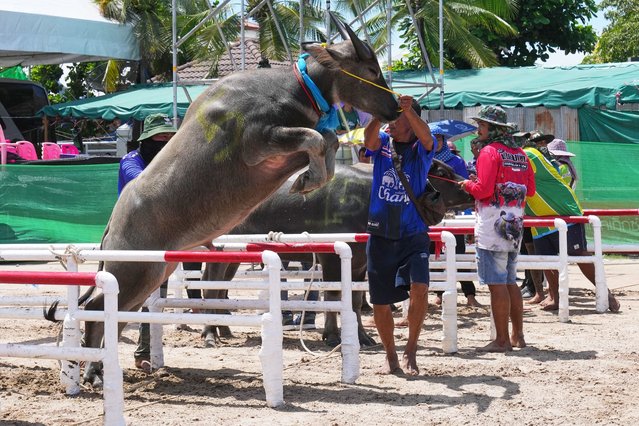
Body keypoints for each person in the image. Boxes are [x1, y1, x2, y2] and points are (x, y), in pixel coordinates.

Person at [363, 95, 435, 375]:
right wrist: (382, 112)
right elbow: (368, 142)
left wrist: (408, 111)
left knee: (420, 287)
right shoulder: (382, 142)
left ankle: (411, 351)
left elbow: (427, 136)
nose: (393, 122)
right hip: (381, 232)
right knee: (380, 301)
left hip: (413, 231)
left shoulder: (421, 148)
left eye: (399, 117)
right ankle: (390, 356)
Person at [459, 105, 536, 352]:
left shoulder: (489, 152)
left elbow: (483, 190)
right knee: (510, 280)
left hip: (493, 225)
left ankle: (501, 340)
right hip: (516, 224)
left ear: (493, 128)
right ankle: (518, 336)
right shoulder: (521, 155)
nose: (478, 129)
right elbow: (531, 191)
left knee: (496, 283)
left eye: (482, 125)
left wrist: (468, 185)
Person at [522, 136, 620, 313]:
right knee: (548, 260)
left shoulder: (531, 156)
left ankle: (605, 292)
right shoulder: (538, 158)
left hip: (563, 213)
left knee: (579, 255)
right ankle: (556, 297)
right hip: (540, 216)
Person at [118, 113, 177, 373]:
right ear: (147, 139)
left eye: (169, 137)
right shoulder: (131, 161)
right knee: (117, 297)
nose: (165, 142)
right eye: (161, 137)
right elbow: (142, 186)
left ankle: (144, 352)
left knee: (154, 296)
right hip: (125, 239)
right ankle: (88, 346)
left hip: (160, 237)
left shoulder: (170, 164)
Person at [430, 128, 482, 308]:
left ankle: (470, 295)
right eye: (432, 139)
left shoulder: (456, 161)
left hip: (451, 212)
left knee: (458, 252)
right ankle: (438, 293)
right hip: (428, 211)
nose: (436, 142)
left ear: (443, 140)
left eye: (438, 138)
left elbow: (463, 186)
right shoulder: (422, 159)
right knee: (432, 254)